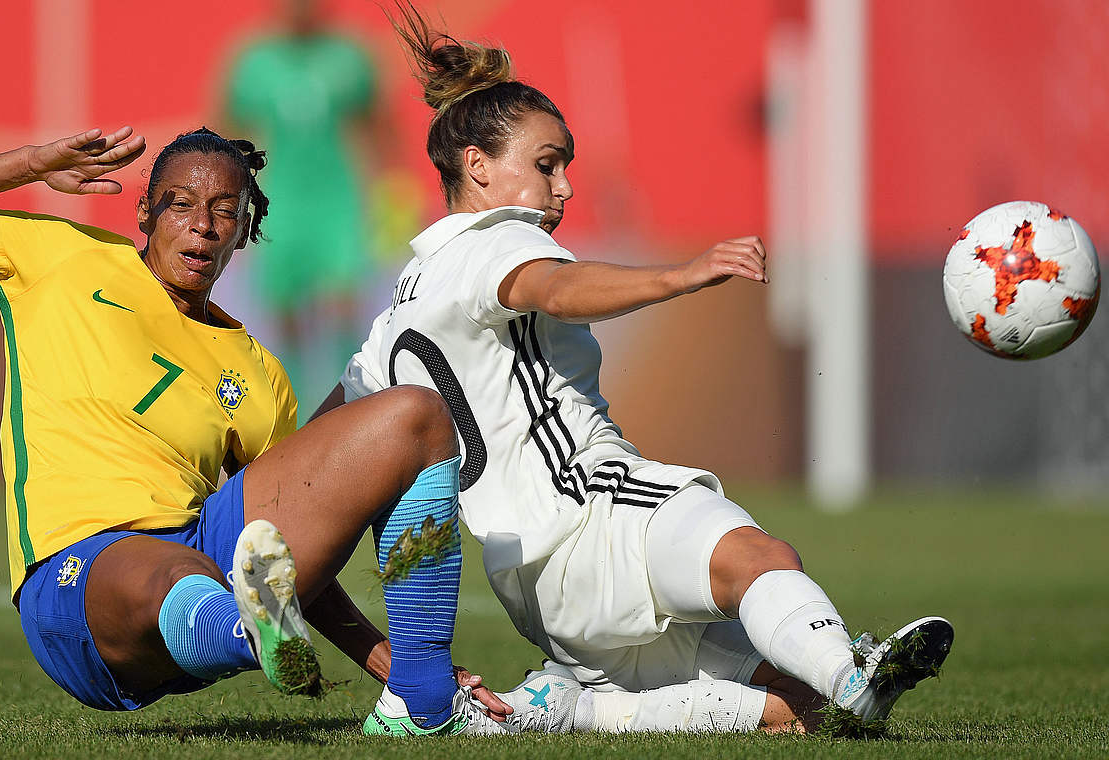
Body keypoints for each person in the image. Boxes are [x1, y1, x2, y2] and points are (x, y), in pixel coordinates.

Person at [321, 4, 954, 735]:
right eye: (547, 165)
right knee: (759, 558)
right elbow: (555, 288)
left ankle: (572, 707)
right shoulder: (497, 239)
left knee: (794, 710)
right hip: (591, 509)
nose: (563, 188)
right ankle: (853, 671)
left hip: (530, 585)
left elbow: (329, 440)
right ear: (478, 167)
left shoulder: (397, 312)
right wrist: (681, 275)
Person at [0, 125, 509, 736]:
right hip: (80, 580)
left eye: (225, 210)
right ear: (145, 213)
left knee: (418, 416)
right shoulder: (66, 257)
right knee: (175, 573)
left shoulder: (256, 371)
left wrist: (382, 660)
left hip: (201, 549)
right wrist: (33, 165)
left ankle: (422, 692)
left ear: (245, 229)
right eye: (180, 204)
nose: (202, 224)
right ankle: (236, 627)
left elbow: (281, 556)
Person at [224, 0, 382, 414]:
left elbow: (375, 124)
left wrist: (388, 186)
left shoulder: (348, 56)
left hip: (337, 200)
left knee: (344, 306)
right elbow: (230, 129)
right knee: (287, 313)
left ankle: (351, 407)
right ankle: (294, 415)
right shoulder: (255, 62)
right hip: (281, 199)